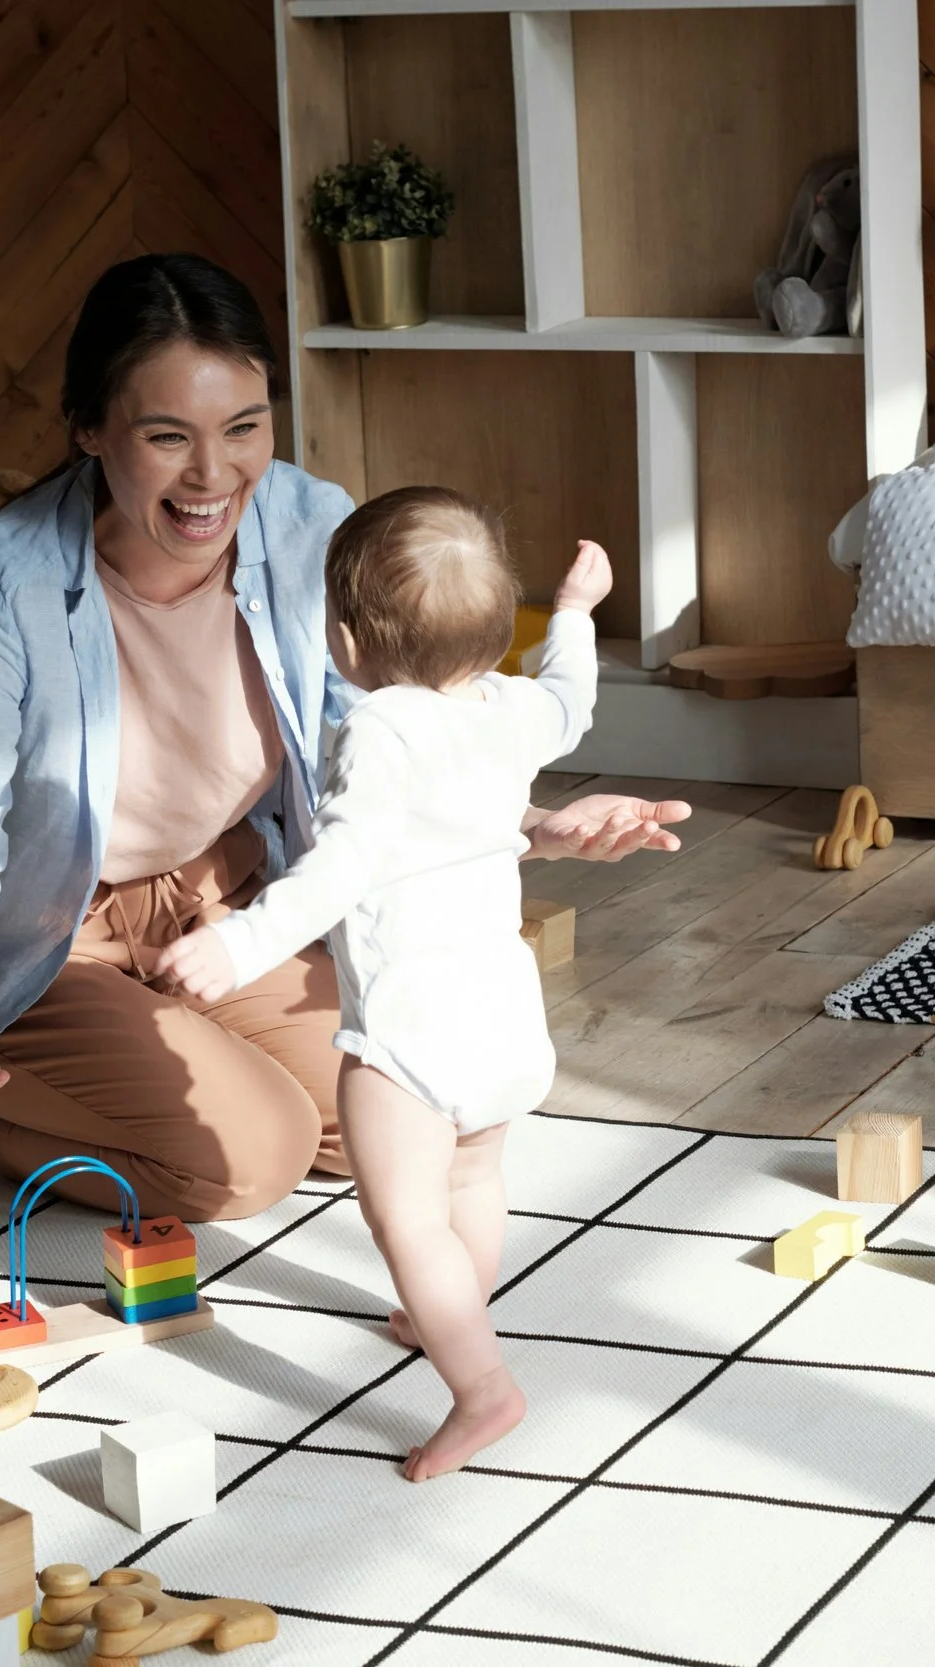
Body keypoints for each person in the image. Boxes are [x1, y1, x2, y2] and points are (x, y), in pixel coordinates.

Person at [0, 253, 689, 1221]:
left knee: (391, 1100)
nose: (212, 474)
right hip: (53, 937)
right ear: (89, 428)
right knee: (247, 1160)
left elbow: (387, 741)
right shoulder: (3, 587)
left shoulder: (309, 525)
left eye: (244, 428)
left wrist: (533, 821)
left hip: (224, 902)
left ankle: (165, 1055)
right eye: (165, 435)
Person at [154, 489, 603, 1480]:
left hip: (410, 1025)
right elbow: (572, 697)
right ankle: (443, 1312)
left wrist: (242, 945)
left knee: (403, 1213)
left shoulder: (378, 728)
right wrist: (573, 612)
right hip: (502, 1005)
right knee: (472, 1177)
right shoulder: (515, 705)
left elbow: (342, 865)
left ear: (350, 640)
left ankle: (481, 1386)